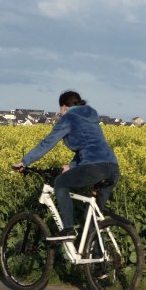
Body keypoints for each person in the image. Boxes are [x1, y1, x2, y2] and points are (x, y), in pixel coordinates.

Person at [12, 90, 120, 241]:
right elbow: (90, 146)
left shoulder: (69, 117)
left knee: (60, 183)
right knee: (92, 218)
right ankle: (95, 260)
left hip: (94, 168)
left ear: (64, 107)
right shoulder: (91, 118)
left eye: (60, 110)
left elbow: (47, 143)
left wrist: (25, 161)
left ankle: (68, 228)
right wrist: (72, 165)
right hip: (112, 168)